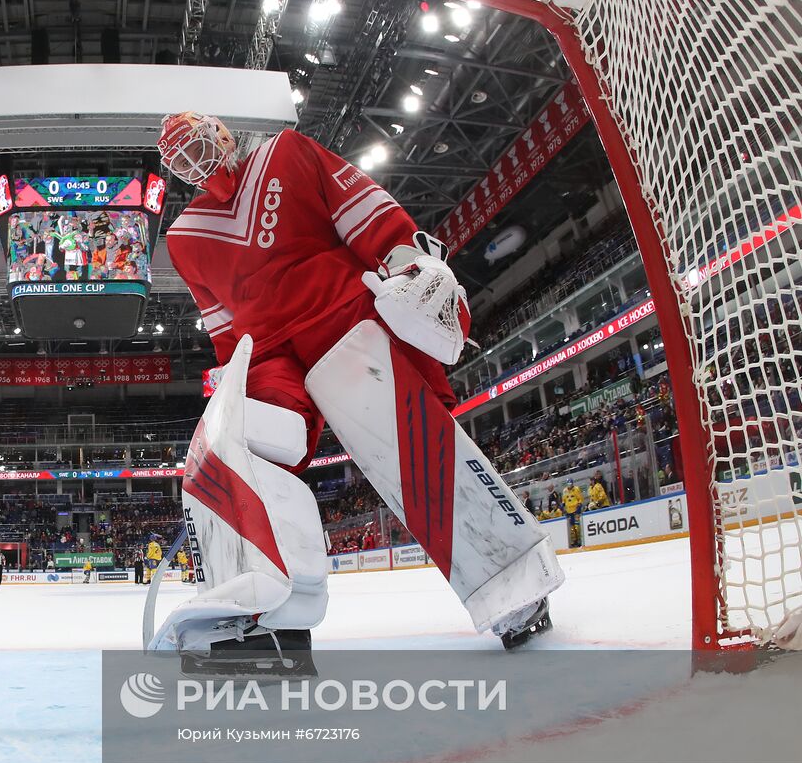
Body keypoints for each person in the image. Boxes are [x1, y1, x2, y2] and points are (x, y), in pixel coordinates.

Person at [150, 112, 563, 665]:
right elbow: (224, 327)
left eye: (200, 144)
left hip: (339, 318)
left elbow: (365, 212)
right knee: (240, 447)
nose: (197, 161)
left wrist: (407, 263)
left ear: (222, 131)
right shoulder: (183, 238)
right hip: (268, 354)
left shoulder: (287, 152)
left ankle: (511, 586)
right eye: (183, 159)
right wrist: (232, 382)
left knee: (406, 443)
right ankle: (266, 619)